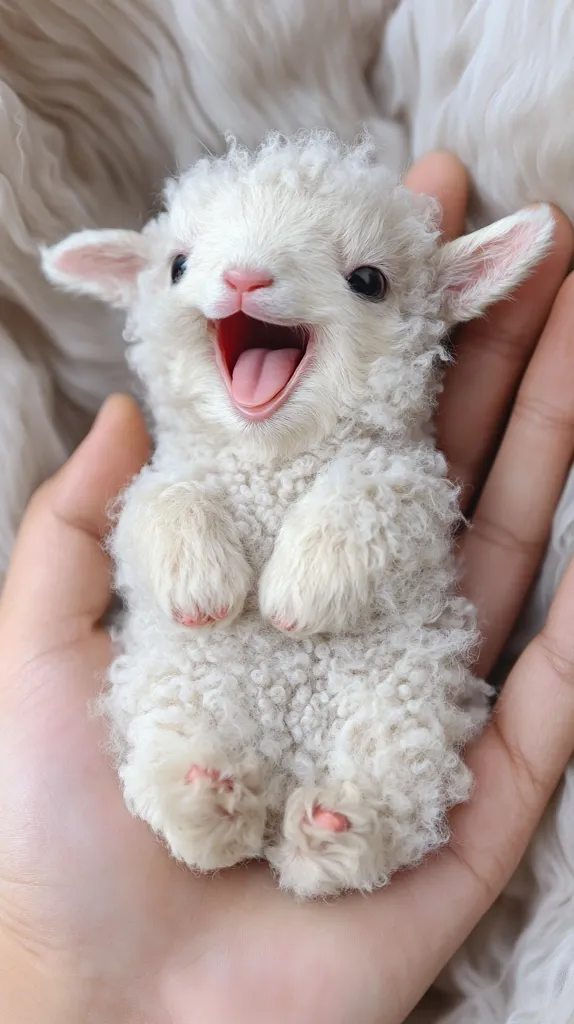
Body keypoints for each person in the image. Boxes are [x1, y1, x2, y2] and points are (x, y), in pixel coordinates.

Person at [1, 151, 573, 1024]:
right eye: (188, 268)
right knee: (171, 698)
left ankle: (358, 819)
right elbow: (157, 527)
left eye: (366, 279)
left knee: (402, 715)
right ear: (144, 289)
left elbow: (395, 517)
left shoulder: (394, 474)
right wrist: (179, 538)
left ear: (435, 302)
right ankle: (200, 796)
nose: (241, 280)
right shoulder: (180, 477)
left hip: (363, 671)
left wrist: (335, 555)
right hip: (220, 685)